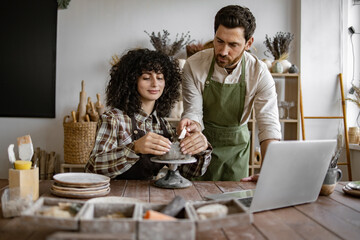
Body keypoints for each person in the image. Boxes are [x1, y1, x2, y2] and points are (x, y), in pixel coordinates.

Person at [178, 5, 281, 181]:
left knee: (235, 202)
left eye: (233, 44)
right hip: (202, 145)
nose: (223, 51)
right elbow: (193, 111)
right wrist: (192, 128)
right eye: (219, 41)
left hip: (237, 150)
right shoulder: (194, 65)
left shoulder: (259, 72)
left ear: (248, 43)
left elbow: (268, 125)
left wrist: (269, 172)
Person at [85, 48, 212, 180]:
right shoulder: (114, 119)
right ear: (131, 80)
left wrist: (201, 149)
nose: (155, 84)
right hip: (117, 196)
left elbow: (188, 172)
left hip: (150, 196)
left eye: (160, 78)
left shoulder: (162, 125)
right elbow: (92, 169)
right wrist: (134, 148)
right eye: (146, 77)